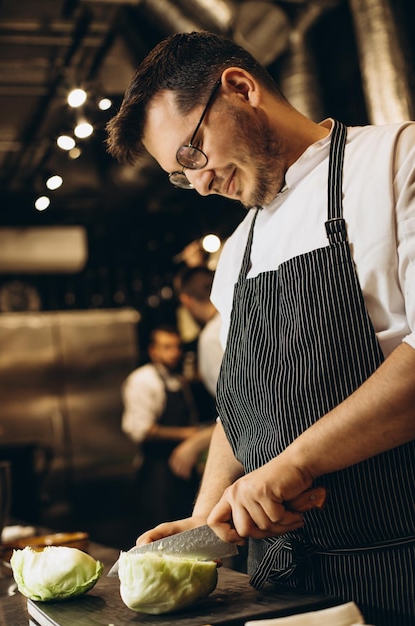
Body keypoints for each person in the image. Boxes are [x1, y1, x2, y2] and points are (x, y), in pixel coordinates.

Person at [106, 31, 415, 626]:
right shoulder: (240, 250)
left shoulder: (395, 160)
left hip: (399, 559)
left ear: (240, 89)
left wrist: (293, 467)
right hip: (280, 579)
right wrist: (205, 515)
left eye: (192, 155)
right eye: (178, 175)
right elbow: (243, 401)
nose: (197, 183)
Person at [121, 325, 203, 531]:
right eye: (167, 347)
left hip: (184, 470)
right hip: (157, 472)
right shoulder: (143, 380)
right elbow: (141, 429)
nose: (174, 353)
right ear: (153, 350)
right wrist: (187, 434)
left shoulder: (177, 380)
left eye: (177, 347)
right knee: (161, 533)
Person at [169, 266, 223, 480]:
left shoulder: (211, 337)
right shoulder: (240, 317)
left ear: (186, 301)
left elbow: (244, 408)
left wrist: (199, 441)